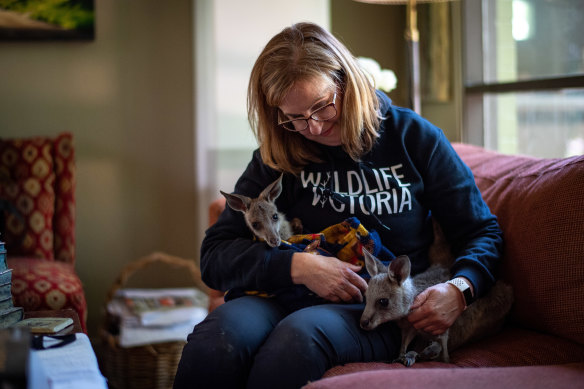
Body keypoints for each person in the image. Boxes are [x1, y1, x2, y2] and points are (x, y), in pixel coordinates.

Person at [173, 22, 503, 389]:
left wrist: (460, 289)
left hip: (374, 309)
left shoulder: (413, 138)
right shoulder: (279, 154)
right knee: (216, 339)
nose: (312, 128)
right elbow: (214, 256)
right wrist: (297, 265)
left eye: (320, 107)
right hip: (281, 294)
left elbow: (481, 232)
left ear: (347, 82)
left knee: (298, 338)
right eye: (294, 117)